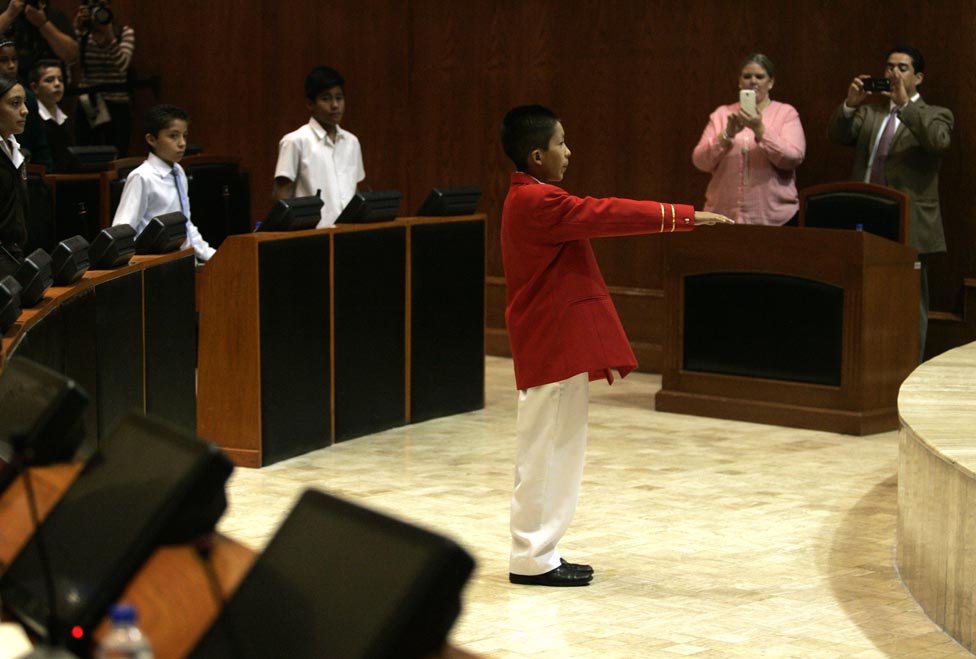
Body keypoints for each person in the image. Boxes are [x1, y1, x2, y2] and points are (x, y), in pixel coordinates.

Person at [500, 104, 732, 587]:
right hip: (550, 345)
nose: (569, 151)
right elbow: (607, 212)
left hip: (557, 345)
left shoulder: (533, 197)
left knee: (560, 452)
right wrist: (684, 217)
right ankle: (530, 556)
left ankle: (543, 551)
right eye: (561, 143)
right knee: (545, 454)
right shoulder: (538, 201)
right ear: (537, 155)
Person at [827, 45, 953, 363]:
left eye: (902, 68)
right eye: (889, 67)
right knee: (864, 296)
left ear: (918, 77)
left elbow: (938, 141)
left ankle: (911, 366)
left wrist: (904, 106)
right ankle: (866, 365)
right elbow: (837, 135)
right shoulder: (871, 114)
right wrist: (850, 104)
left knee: (911, 300)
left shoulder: (935, 113)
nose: (893, 73)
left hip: (909, 222)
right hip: (866, 218)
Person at [692, 53, 806, 225]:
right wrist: (726, 135)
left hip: (774, 218)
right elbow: (700, 161)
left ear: (771, 82)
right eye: (747, 76)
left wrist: (760, 129)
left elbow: (793, 158)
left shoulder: (786, 113)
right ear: (739, 81)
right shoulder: (722, 114)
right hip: (722, 216)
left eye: (759, 77)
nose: (753, 81)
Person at [113, 104, 215, 262]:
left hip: (181, 260)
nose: (182, 143)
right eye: (173, 136)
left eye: (184, 136)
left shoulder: (178, 171)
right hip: (153, 264)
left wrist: (213, 256)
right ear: (151, 139)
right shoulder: (142, 176)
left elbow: (186, 226)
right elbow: (122, 232)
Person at [273, 65, 364, 228]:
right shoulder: (295, 141)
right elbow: (281, 195)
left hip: (348, 234)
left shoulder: (352, 142)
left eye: (339, 97)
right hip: (312, 235)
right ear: (310, 104)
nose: (335, 105)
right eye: (326, 98)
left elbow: (354, 190)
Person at [73, 0, 134, 157]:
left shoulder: (124, 32)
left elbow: (122, 65)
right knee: (88, 153)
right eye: (95, 6)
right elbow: (71, 60)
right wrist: (77, 29)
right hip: (89, 102)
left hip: (117, 101)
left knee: (118, 152)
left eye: (104, 5)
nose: (99, 10)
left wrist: (109, 35)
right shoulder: (83, 34)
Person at [0, 34, 48, 168]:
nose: (11, 65)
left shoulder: (29, 96)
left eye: (14, 59)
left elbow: (39, 144)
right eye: (3, 60)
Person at [0, 0, 78, 82]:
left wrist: (43, 24)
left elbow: (71, 55)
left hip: (50, 81)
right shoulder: (6, 11)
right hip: (9, 83)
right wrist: (9, 15)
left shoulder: (54, 14)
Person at [0, 73, 29, 279]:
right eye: (15, 103)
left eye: (24, 103)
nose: (25, 110)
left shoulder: (16, 150)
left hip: (16, 255)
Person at [28, 58, 71, 171]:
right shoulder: (30, 118)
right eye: (49, 80)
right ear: (35, 88)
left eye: (60, 80)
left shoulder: (66, 117)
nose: (57, 84)